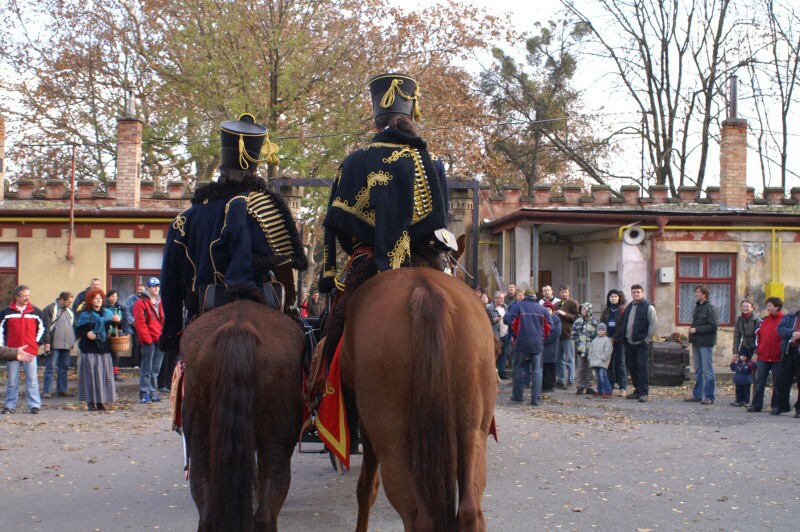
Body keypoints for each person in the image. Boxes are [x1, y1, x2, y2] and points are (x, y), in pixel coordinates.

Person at [160, 113, 307, 352]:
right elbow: (284, 266)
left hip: (204, 308)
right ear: (254, 167)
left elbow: (170, 282)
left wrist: (173, 331)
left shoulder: (183, 220)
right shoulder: (265, 205)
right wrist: (289, 308)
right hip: (264, 304)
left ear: (222, 167)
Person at [0, 285, 45, 414]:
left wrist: (36, 344)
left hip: (30, 351)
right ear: (17, 296)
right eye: (24, 295)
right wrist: (3, 348)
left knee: (32, 380)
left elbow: (42, 329)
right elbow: (0, 331)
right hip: (11, 352)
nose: (27, 298)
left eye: (28, 295)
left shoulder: (35, 311)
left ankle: (34, 405)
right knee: (12, 380)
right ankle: (10, 405)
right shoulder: (6, 312)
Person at [74, 289, 121, 411]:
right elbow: (78, 330)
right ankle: (90, 402)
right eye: (96, 298)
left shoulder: (107, 313)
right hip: (89, 349)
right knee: (90, 377)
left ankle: (101, 402)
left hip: (104, 349)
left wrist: (117, 321)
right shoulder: (85, 314)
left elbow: (118, 327)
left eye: (101, 298)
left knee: (103, 377)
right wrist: (87, 334)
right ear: (90, 300)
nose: (99, 300)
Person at [504, 289, 550, 406]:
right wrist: (542, 338)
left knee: (518, 369)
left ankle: (518, 396)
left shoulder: (519, 306)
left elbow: (508, 320)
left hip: (521, 341)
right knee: (537, 371)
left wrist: (515, 333)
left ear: (524, 296)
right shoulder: (542, 309)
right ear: (535, 296)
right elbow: (550, 325)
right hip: (537, 343)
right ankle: (535, 400)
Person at [614, 284, 657, 402]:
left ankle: (644, 392)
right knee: (632, 367)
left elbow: (653, 325)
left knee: (642, 367)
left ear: (642, 293)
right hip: (629, 342)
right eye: (634, 292)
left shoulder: (648, 307)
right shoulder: (629, 307)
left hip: (641, 343)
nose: (636, 294)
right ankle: (637, 390)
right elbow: (625, 323)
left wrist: (647, 339)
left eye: (638, 292)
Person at [684, 284, 719, 405]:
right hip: (696, 342)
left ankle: (709, 396)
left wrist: (697, 329)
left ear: (704, 294)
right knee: (698, 369)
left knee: (707, 370)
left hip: (706, 342)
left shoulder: (710, 308)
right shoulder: (697, 307)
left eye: (698, 292)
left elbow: (713, 326)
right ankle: (697, 395)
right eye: (696, 292)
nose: (696, 294)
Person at [749, 297, 783, 413]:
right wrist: (756, 352)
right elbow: (758, 337)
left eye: (770, 306)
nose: (767, 308)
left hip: (778, 357)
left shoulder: (784, 320)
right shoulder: (764, 321)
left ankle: (776, 406)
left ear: (777, 307)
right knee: (759, 381)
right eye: (767, 306)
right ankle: (756, 405)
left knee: (777, 382)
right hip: (763, 356)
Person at [134, 278, 165, 404]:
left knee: (155, 369)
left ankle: (152, 393)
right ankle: (144, 393)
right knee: (146, 368)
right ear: (147, 288)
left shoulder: (159, 301)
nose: (156, 288)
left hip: (159, 338)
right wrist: (147, 340)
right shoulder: (140, 303)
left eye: (157, 286)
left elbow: (163, 320)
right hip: (149, 340)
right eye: (153, 286)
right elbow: (139, 323)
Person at [41, 292, 76, 397]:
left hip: (66, 344)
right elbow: (45, 327)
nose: (70, 304)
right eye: (68, 302)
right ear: (62, 299)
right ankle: (47, 391)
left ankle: (62, 389)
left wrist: (72, 341)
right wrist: (46, 342)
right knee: (50, 367)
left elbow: (72, 327)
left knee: (64, 367)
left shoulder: (69, 311)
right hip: (54, 344)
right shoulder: (50, 309)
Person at [600, 289, 627, 395]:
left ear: (619, 298)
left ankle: (622, 388)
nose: (614, 298)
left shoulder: (622, 310)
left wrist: (614, 338)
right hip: (607, 341)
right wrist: (607, 337)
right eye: (611, 296)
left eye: (616, 296)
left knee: (620, 364)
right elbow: (602, 324)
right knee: (609, 364)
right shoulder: (606, 310)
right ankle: (609, 387)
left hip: (619, 341)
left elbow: (623, 326)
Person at [774, 305, 800, 417]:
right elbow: (780, 329)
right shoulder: (790, 317)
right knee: (781, 380)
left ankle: (799, 409)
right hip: (789, 351)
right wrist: (793, 333)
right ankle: (783, 405)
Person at [554, 284, 579, 389]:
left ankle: (571, 380)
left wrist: (564, 314)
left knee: (570, 359)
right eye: (562, 292)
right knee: (559, 359)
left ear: (569, 292)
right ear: (559, 293)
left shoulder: (573, 303)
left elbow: (576, 317)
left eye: (566, 292)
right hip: (558, 335)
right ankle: (561, 380)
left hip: (568, 335)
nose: (564, 294)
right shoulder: (557, 304)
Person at [572, 302, 597, 395]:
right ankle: (580, 386)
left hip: (591, 349)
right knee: (580, 368)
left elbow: (597, 336)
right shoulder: (577, 321)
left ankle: (589, 386)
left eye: (585, 309)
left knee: (590, 368)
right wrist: (576, 344)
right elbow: (573, 335)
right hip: (580, 349)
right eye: (582, 309)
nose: (583, 311)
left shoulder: (594, 322)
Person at [487, 291, 511, 379]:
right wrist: (494, 319)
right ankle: (492, 373)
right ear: (495, 298)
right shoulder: (489, 308)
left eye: (503, 298)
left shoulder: (507, 307)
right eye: (500, 298)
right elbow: (486, 320)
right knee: (494, 354)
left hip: (505, 333)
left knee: (504, 354)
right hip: (495, 334)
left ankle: (502, 372)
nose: (502, 300)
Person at [104, 290, 125, 382]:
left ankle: (115, 374)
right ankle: (106, 374)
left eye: (116, 296)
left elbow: (123, 320)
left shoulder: (119, 307)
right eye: (112, 296)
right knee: (107, 354)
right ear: (108, 297)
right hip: (106, 333)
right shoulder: (104, 307)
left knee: (116, 355)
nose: (114, 298)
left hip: (116, 333)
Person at [588, 323, 614, 398]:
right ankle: (600, 391)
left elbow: (608, 351)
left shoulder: (607, 340)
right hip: (595, 361)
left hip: (602, 362)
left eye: (603, 330)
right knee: (598, 377)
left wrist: (602, 358)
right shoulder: (594, 340)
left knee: (602, 376)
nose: (601, 331)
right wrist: (590, 358)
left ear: (605, 331)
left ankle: (608, 391)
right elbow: (591, 350)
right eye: (599, 330)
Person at [123, 284, 145, 368]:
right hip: (134, 326)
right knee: (136, 344)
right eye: (138, 289)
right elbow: (126, 310)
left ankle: (143, 364)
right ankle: (135, 364)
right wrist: (133, 322)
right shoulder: (131, 299)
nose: (139, 291)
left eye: (141, 290)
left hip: (145, 326)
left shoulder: (147, 299)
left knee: (144, 345)